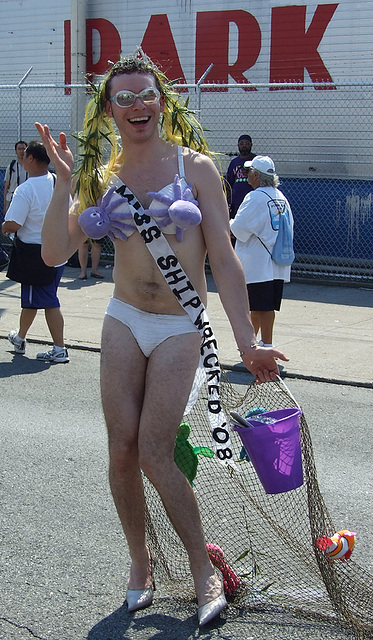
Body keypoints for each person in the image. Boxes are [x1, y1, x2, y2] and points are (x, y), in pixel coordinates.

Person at [35, 51, 288, 626]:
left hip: (180, 325)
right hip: (124, 318)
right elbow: (53, 253)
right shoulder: (103, 177)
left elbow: (223, 259)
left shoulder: (194, 169)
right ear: (108, 110)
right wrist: (66, 184)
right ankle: (140, 563)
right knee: (120, 449)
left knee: (153, 449)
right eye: (122, 97)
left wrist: (247, 341)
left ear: (162, 101)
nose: (137, 105)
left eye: (146, 94)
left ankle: (202, 571)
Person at [2, 140, 69, 363]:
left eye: (25, 156)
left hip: (33, 254)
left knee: (48, 300)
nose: (22, 159)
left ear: (30, 159)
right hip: (57, 250)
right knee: (32, 299)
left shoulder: (26, 189)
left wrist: (4, 228)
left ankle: (59, 348)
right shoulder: (57, 182)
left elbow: (13, 223)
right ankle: (20, 338)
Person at [230, 155, 294, 347]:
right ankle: (254, 344)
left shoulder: (255, 197)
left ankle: (266, 345)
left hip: (257, 263)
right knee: (262, 306)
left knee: (259, 306)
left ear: (256, 175)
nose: (247, 174)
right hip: (276, 262)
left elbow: (239, 227)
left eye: (249, 171)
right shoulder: (280, 197)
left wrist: (228, 224)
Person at [225, 135, 256, 219]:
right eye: (241, 144)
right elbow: (228, 183)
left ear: (251, 145)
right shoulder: (234, 162)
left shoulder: (256, 160)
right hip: (237, 200)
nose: (244, 146)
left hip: (252, 199)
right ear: (238, 146)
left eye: (247, 143)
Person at [3, 140, 28, 213]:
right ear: (16, 151)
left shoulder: (31, 166)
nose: (21, 151)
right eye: (19, 149)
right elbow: (6, 187)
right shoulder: (11, 167)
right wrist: (5, 205)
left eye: (23, 149)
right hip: (11, 198)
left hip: (26, 198)